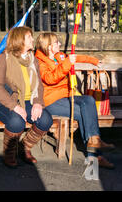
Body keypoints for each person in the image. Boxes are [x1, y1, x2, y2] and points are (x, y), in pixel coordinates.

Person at [35, 32, 115, 169]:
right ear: (49, 47)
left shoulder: (58, 56)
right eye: (56, 43)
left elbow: (76, 58)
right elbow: (50, 78)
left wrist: (93, 61)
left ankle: (94, 142)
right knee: (85, 112)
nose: (59, 44)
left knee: (88, 100)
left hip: (67, 96)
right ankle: (95, 156)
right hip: (52, 102)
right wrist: (67, 64)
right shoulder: (40, 62)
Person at [0, 26, 53, 168]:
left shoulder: (33, 59)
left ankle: (25, 148)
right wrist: (15, 107)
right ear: (20, 40)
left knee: (45, 120)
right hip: (8, 102)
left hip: (29, 101)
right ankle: (9, 152)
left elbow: (39, 85)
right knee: (16, 122)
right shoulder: (5, 58)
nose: (32, 39)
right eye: (29, 37)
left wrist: (38, 103)